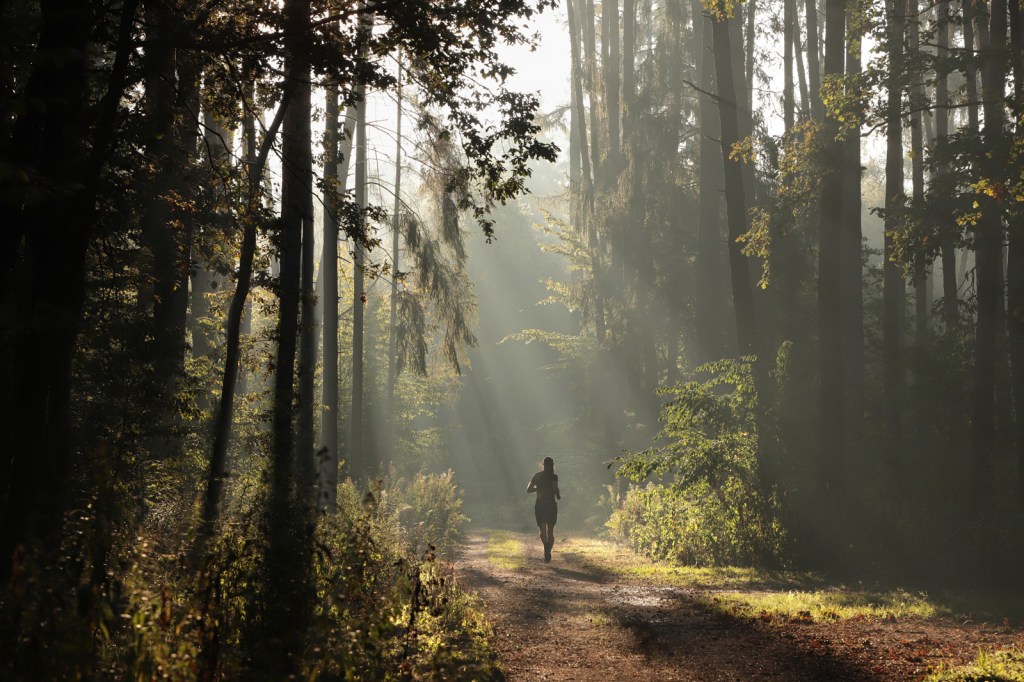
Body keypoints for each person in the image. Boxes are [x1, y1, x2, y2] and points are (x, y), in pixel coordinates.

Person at [526, 457, 560, 562]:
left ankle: (546, 546)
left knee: (542, 531)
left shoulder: (537, 476)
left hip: (540, 506)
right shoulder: (554, 477)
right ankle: (548, 551)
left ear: (543, 464)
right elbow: (555, 488)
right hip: (551, 506)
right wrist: (558, 495)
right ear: (552, 465)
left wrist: (538, 488)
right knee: (550, 531)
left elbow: (529, 489)